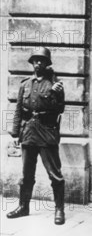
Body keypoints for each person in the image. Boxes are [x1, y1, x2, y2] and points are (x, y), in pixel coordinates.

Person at [7, 47, 66, 225]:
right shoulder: (25, 84)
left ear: (47, 63)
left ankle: (59, 210)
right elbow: (18, 109)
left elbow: (59, 109)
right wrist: (16, 132)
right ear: (32, 63)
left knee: (54, 174)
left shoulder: (55, 85)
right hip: (28, 133)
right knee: (26, 175)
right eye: (36, 60)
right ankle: (23, 206)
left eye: (42, 60)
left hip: (47, 133)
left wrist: (56, 93)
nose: (38, 63)